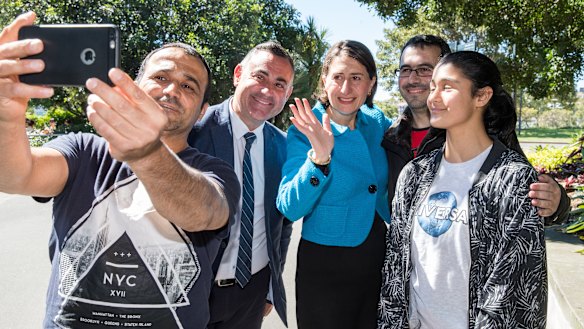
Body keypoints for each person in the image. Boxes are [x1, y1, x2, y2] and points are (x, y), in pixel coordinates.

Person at [0, 12, 240, 329]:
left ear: (201, 114)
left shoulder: (214, 171)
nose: (171, 90)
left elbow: (205, 212)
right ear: (134, 87)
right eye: (161, 78)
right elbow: (16, 176)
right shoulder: (84, 151)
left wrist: (147, 153)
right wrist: (5, 118)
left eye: (188, 86)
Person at [378, 51, 547, 328]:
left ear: (481, 96)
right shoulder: (415, 175)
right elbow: (395, 272)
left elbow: (512, 293)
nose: (433, 97)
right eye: (433, 87)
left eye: (447, 87)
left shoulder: (512, 179)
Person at [383, 34, 569, 223]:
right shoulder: (388, 136)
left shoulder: (486, 131)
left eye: (424, 69)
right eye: (405, 70)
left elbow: (522, 197)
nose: (412, 78)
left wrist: (557, 202)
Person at [276, 40, 391, 329]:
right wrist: (319, 158)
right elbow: (289, 207)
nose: (345, 89)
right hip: (326, 262)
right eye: (338, 77)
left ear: (371, 83)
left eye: (356, 78)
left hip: (376, 253)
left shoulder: (377, 122)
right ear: (325, 80)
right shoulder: (306, 128)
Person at [188, 41, 294, 328]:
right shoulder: (193, 132)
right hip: (194, 292)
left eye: (279, 84)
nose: (267, 91)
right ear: (238, 74)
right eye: (260, 76)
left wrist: (270, 286)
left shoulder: (285, 147)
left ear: (288, 93)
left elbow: (281, 225)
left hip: (252, 294)